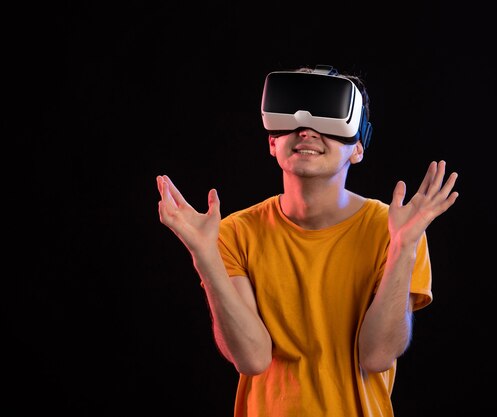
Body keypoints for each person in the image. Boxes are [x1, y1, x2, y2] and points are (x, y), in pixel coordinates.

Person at [156, 64, 459, 417]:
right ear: (272, 141)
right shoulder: (232, 233)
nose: (307, 129)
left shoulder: (397, 230)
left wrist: (403, 248)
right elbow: (252, 359)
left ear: (358, 147)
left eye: (327, 114)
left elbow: (376, 356)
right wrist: (204, 256)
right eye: (294, 114)